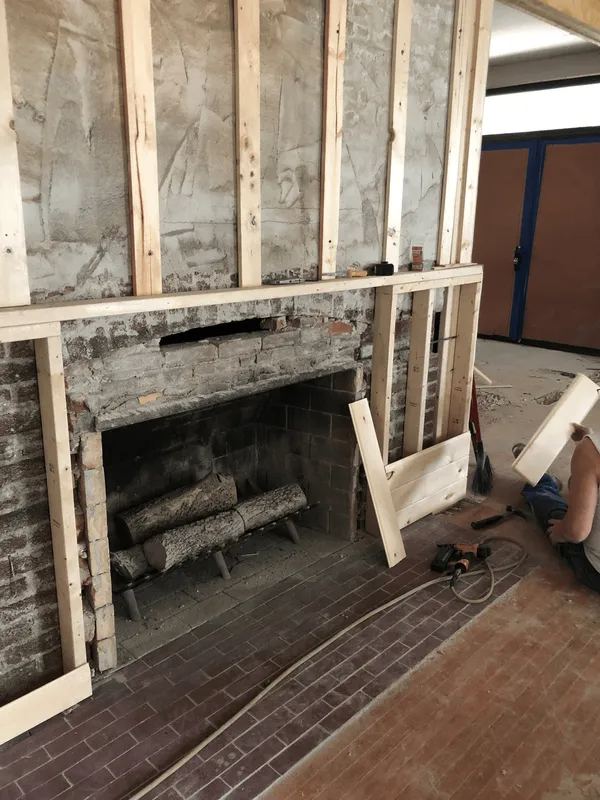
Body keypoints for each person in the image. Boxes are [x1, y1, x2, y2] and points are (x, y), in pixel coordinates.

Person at [513, 423, 600, 592]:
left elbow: (576, 532)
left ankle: (542, 483)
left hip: (596, 573)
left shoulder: (591, 451)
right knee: (582, 486)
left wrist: (559, 531)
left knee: (558, 515)